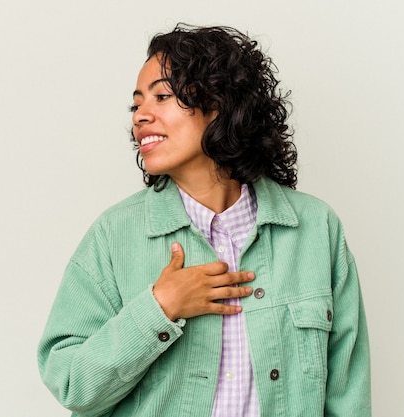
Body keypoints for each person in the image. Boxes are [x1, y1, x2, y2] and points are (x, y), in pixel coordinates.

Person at [38, 23, 371, 417]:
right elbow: (73, 384)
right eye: (136, 104)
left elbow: (347, 395)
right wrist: (160, 308)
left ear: (219, 104)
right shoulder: (114, 236)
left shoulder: (316, 228)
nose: (141, 116)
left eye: (162, 96)